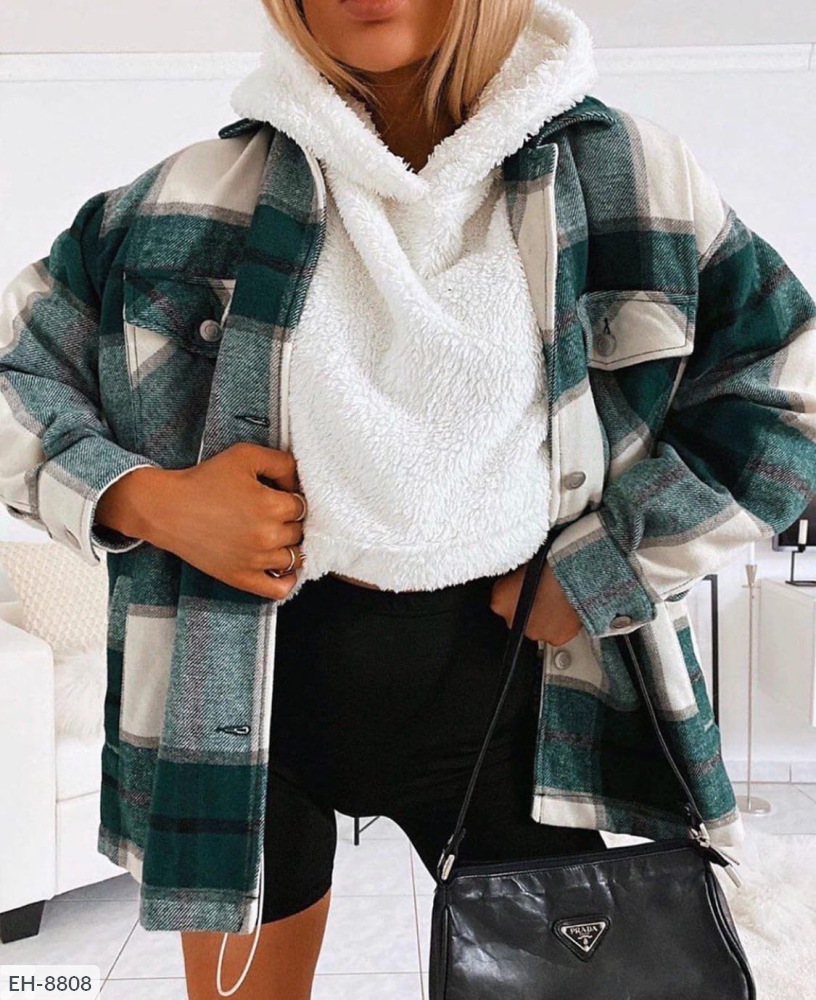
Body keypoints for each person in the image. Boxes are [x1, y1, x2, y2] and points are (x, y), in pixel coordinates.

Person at [2, 0, 815, 998]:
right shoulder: (189, 196)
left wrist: (605, 566)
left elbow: (788, 393)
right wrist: (147, 500)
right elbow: (15, 373)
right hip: (242, 706)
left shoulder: (630, 179)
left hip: (514, 699)